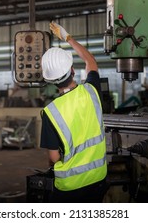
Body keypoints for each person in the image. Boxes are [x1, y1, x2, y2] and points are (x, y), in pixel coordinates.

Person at [40, 22, 108, 203]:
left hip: (69, 186)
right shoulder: (91, 92)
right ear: (72, 70)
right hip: (98, 179)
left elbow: (53, 158)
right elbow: (90, 61)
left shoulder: (50, 112)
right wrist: (67, 37)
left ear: (51, 80)